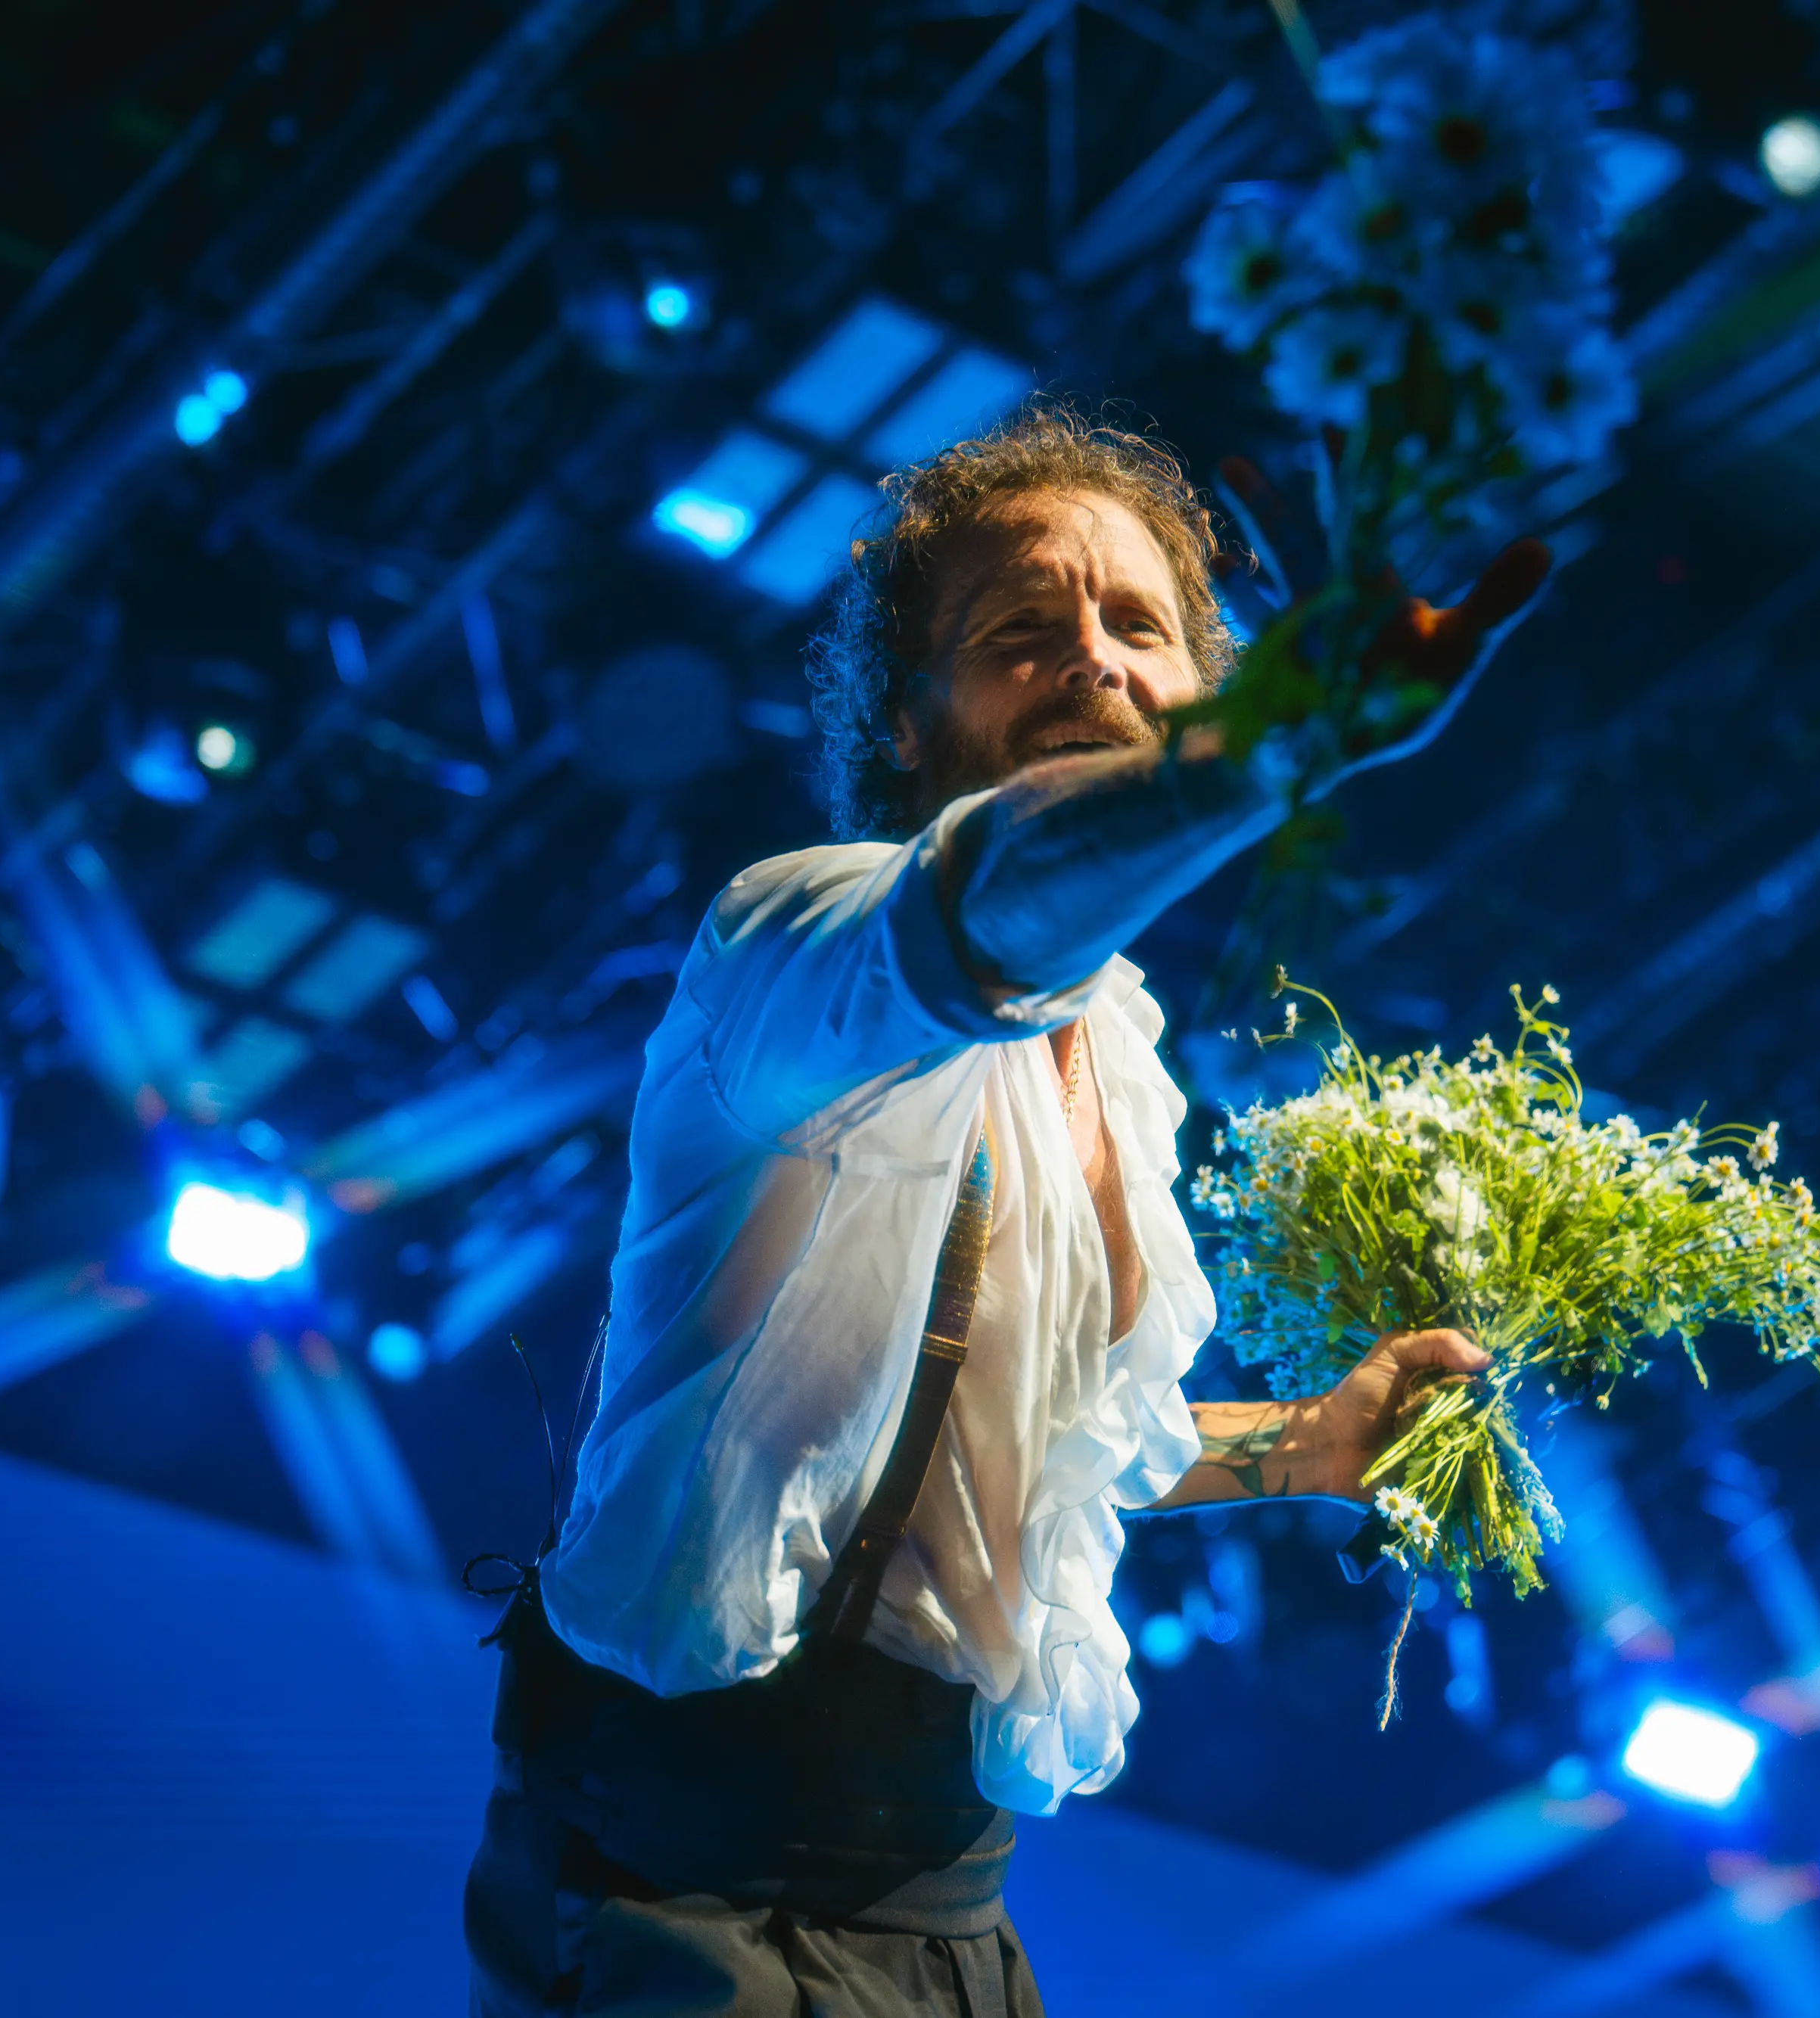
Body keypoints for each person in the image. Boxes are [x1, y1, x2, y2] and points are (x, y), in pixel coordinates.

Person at [464, 403, 1549, 2017]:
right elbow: (976, 903)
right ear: (906, 723)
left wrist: (1304, 1444)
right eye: (1019, 633)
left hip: (938, 1894)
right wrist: (1273, 748)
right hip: (680, 1873)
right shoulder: (795, 946)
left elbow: (1042, 1444)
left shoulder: (1113, 1054)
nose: (1095, 665)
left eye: (1140, 628)